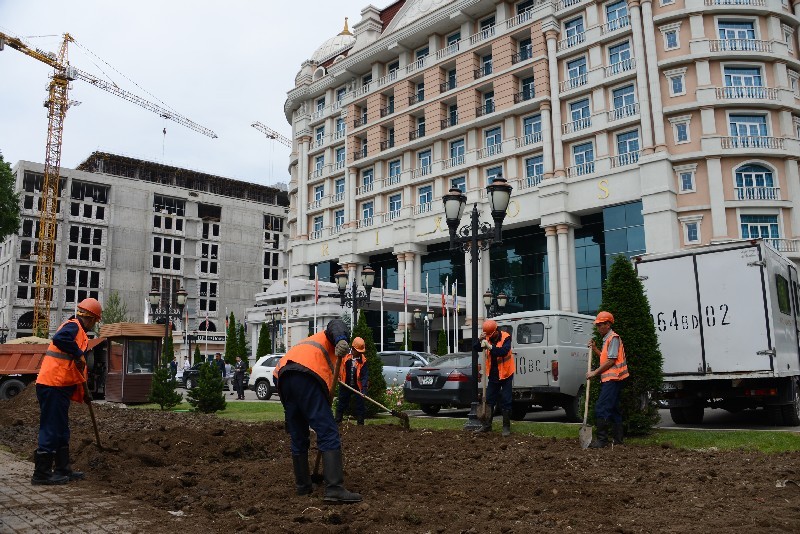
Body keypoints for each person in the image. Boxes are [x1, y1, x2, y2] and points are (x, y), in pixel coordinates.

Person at [273, 319, 361, 503]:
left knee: (298, 435)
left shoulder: (307, 345)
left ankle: (303, 485)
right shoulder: (331, 341)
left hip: (283, 376)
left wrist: (292, 419)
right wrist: (341, 339)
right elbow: (336, 323)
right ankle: (334, 488)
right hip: (307, 375)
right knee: (328, 431)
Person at [32, 297, 102, 485]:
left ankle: (63, 469)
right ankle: (41, 473)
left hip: (60, 386)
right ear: (91, 318)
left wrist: (84, 393)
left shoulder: (79, 332)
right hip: (52, 385)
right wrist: (79, 354)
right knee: (51, 427)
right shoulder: (72, 327)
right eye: (95, 321)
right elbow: (60, 339)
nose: (94, 324)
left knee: (62, 429)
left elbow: (74, 369)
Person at [586, 311, 629, 448]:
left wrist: (594, 373)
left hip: (613, 379)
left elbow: (611, 361)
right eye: (597, 325)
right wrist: (595, 349)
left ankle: (602, 440)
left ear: (608, 324)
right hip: (611, 379)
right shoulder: (607, 339)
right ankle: (618, 441)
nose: (598, 327)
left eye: (600, 325)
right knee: (614, 409)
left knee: (601, 407)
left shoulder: (613, 338)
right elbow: (605, 357)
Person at [474, 319, 514, 437]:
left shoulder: (506, 337)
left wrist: (490, 347)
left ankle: (506, 427)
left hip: (506, 373)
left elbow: (503, 351)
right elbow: (476, 348)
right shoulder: (486, 337)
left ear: (496, 330)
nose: (490, 337)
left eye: (491, 335)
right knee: (490, 400)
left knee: (506, 400)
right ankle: (487, 425)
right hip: (493, 375)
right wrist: (479, 340)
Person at [334, 337, 369, 425]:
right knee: (342, 403)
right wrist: (337, 377)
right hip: (345, 384)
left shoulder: (363, 360)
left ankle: (360, 424)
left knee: (360, 405)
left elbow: (365, 376)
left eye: (361, 351)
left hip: (357, 386)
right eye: (358, 351)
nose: (360, 353)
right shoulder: (344, 356)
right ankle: (337, 422)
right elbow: (337, 366)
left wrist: (364, 390)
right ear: (353, 349)